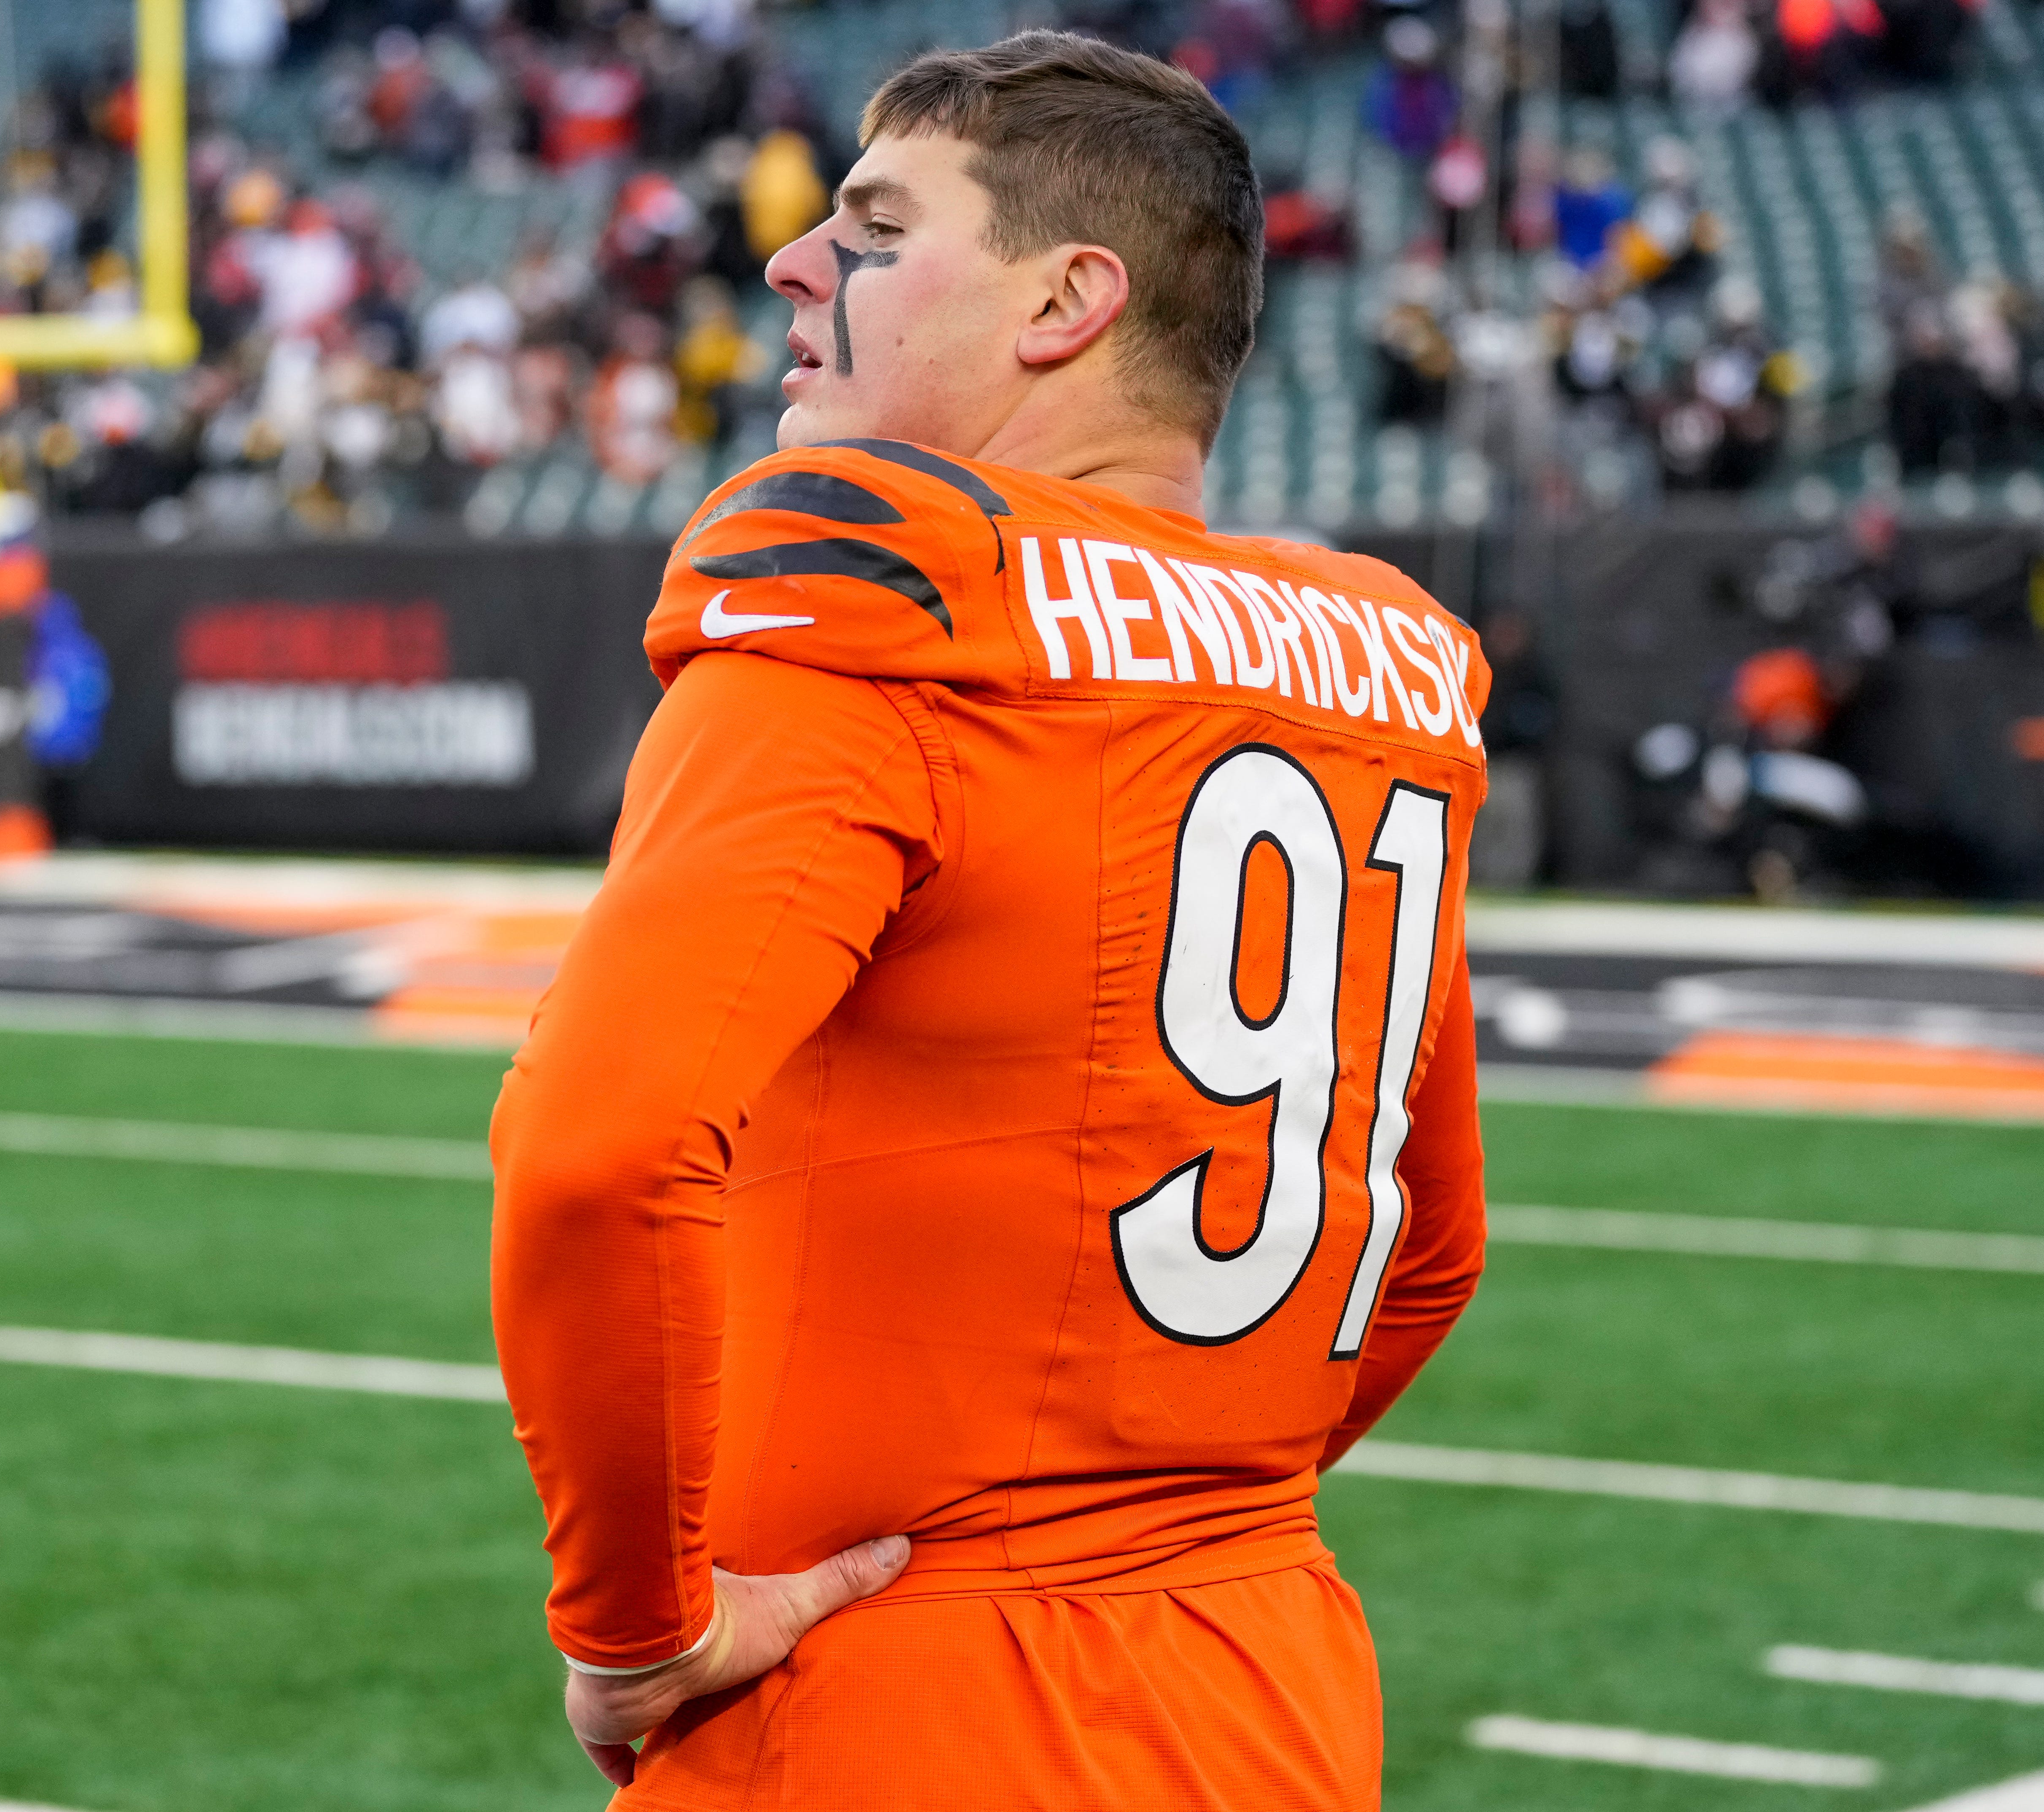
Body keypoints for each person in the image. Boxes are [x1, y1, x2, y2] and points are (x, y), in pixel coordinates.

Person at [490, 30, 1491, 1811]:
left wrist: (636, 1628)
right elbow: (1421, 1247)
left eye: (873, 223)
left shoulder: (889, 583)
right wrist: (1162, 1496)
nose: (793, 257)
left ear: (1062, 302)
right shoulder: (1380, 661)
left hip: (903, 1695)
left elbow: (597, 1149)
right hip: (1267, 1678)